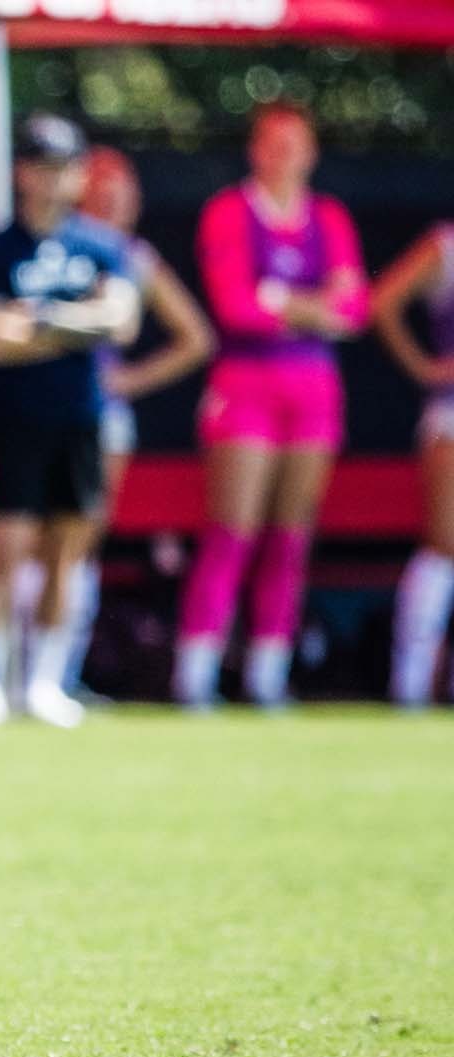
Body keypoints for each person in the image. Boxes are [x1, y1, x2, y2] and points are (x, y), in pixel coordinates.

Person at [0, 113, 141, 728]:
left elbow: (122, 321)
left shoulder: (103, 245)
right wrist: (74, 321)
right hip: (18, 418)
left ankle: (45, 683)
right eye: (42, 166)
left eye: (65, 167)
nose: (54, 179)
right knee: (7, 548)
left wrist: (37, 319)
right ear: (23, 173)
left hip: (82, 418)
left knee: (68, 550)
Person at [175, 102, 368, 709]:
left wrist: (280, 299)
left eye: (296, 144)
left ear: (311, 152)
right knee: (233, 529)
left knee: (290, 537)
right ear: (255, 150)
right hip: (246, 385)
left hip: (312, 390)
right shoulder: (230, 213)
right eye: (272, 143)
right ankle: (196, 673)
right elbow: (235, 308)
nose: (284, 155)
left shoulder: (329, 218)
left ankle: (267, 674)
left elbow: (355, 309)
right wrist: (312, 307)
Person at [23, 146, 212, 694]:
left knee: (76, 545)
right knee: (26, 542)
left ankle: (58, 674)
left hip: (100, 418)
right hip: (36, 411)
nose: (111, 204)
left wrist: (127, 381)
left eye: (121, 195)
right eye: (101, 193)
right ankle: (10, 672)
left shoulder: (129, 257)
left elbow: (194, 338)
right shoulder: (49, 245)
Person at [372, 220, 454, 706]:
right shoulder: (446, 247)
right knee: (445, 547)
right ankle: (411, 687)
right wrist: (426, 367)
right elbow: (383, 301)